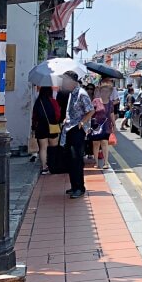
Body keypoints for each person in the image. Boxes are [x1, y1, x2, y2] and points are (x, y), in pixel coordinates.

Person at [60, 71, 94, 199]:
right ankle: (74, 186)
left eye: (65, 80)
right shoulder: (72, 94)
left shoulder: (81, 94)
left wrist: (81, 123)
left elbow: (90, 110)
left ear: (72, 81)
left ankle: (79, 188)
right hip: (69, 128)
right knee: (70, 159)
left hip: (77, 130)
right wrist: (66, 119)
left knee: (77, 160)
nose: (63, 83)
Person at [31, 87, 62, 175]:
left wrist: (34, 127)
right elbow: (58, 115)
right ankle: (53, 165)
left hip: (41, 127)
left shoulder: (38, 102)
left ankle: (44, 167)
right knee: (53, 147)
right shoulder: (53, 101)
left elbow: (34, 116)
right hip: (52, 126)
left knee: (43, 148)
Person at [87, 83, 115, 170]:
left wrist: (114, 125)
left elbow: (111, 114)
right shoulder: (95, 101)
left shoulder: (110, 103)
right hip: (96, 126)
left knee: (104, 143)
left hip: (106, 126)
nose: (104, 93)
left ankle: (105, 163)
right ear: (100, 91)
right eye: (103, 91)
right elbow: (90, 113)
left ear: (110, 93)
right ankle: (96, 162)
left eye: (107, 91)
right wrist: (87, 126)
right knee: (96, 144)